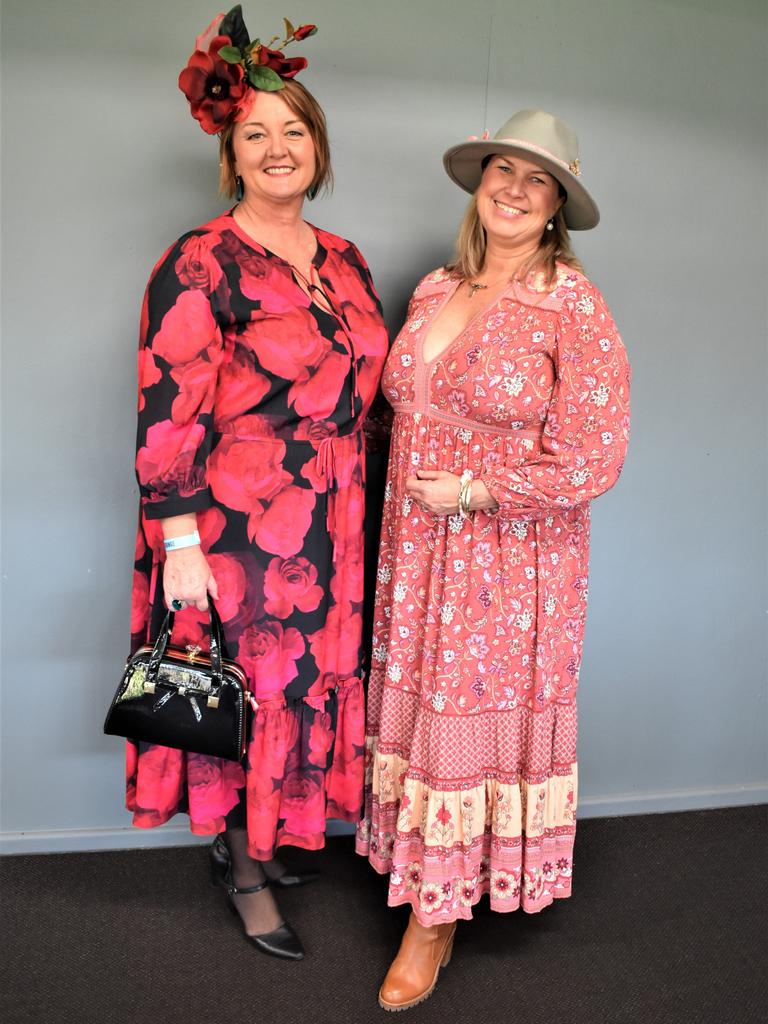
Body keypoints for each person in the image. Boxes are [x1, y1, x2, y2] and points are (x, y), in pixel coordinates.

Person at [127, 6, 388, 961]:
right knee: (245, 688)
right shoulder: (199, 259)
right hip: (236, 527)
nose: (278, 148)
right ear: (232, 156)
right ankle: (239, 867)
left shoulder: (346, 259)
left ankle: (269, 839)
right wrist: (182, 548)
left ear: (318, 147)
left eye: (295, 131)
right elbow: (165, 413)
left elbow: (372, 391)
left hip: (336, 522)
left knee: (306, 684)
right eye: (256, 134)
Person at [356, 109, 630, 1008]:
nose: (512, 189)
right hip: (417, 546)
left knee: (464, 722)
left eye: (536, 179)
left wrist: (480, 492)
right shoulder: (436, 287)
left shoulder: (572, 304)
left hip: (507, 564)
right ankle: (417, 871)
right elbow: (404, 411)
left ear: (556, 205)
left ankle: (432, 925)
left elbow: (596, 455)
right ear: (480, 184)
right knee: (420, 711)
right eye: (501, 170)